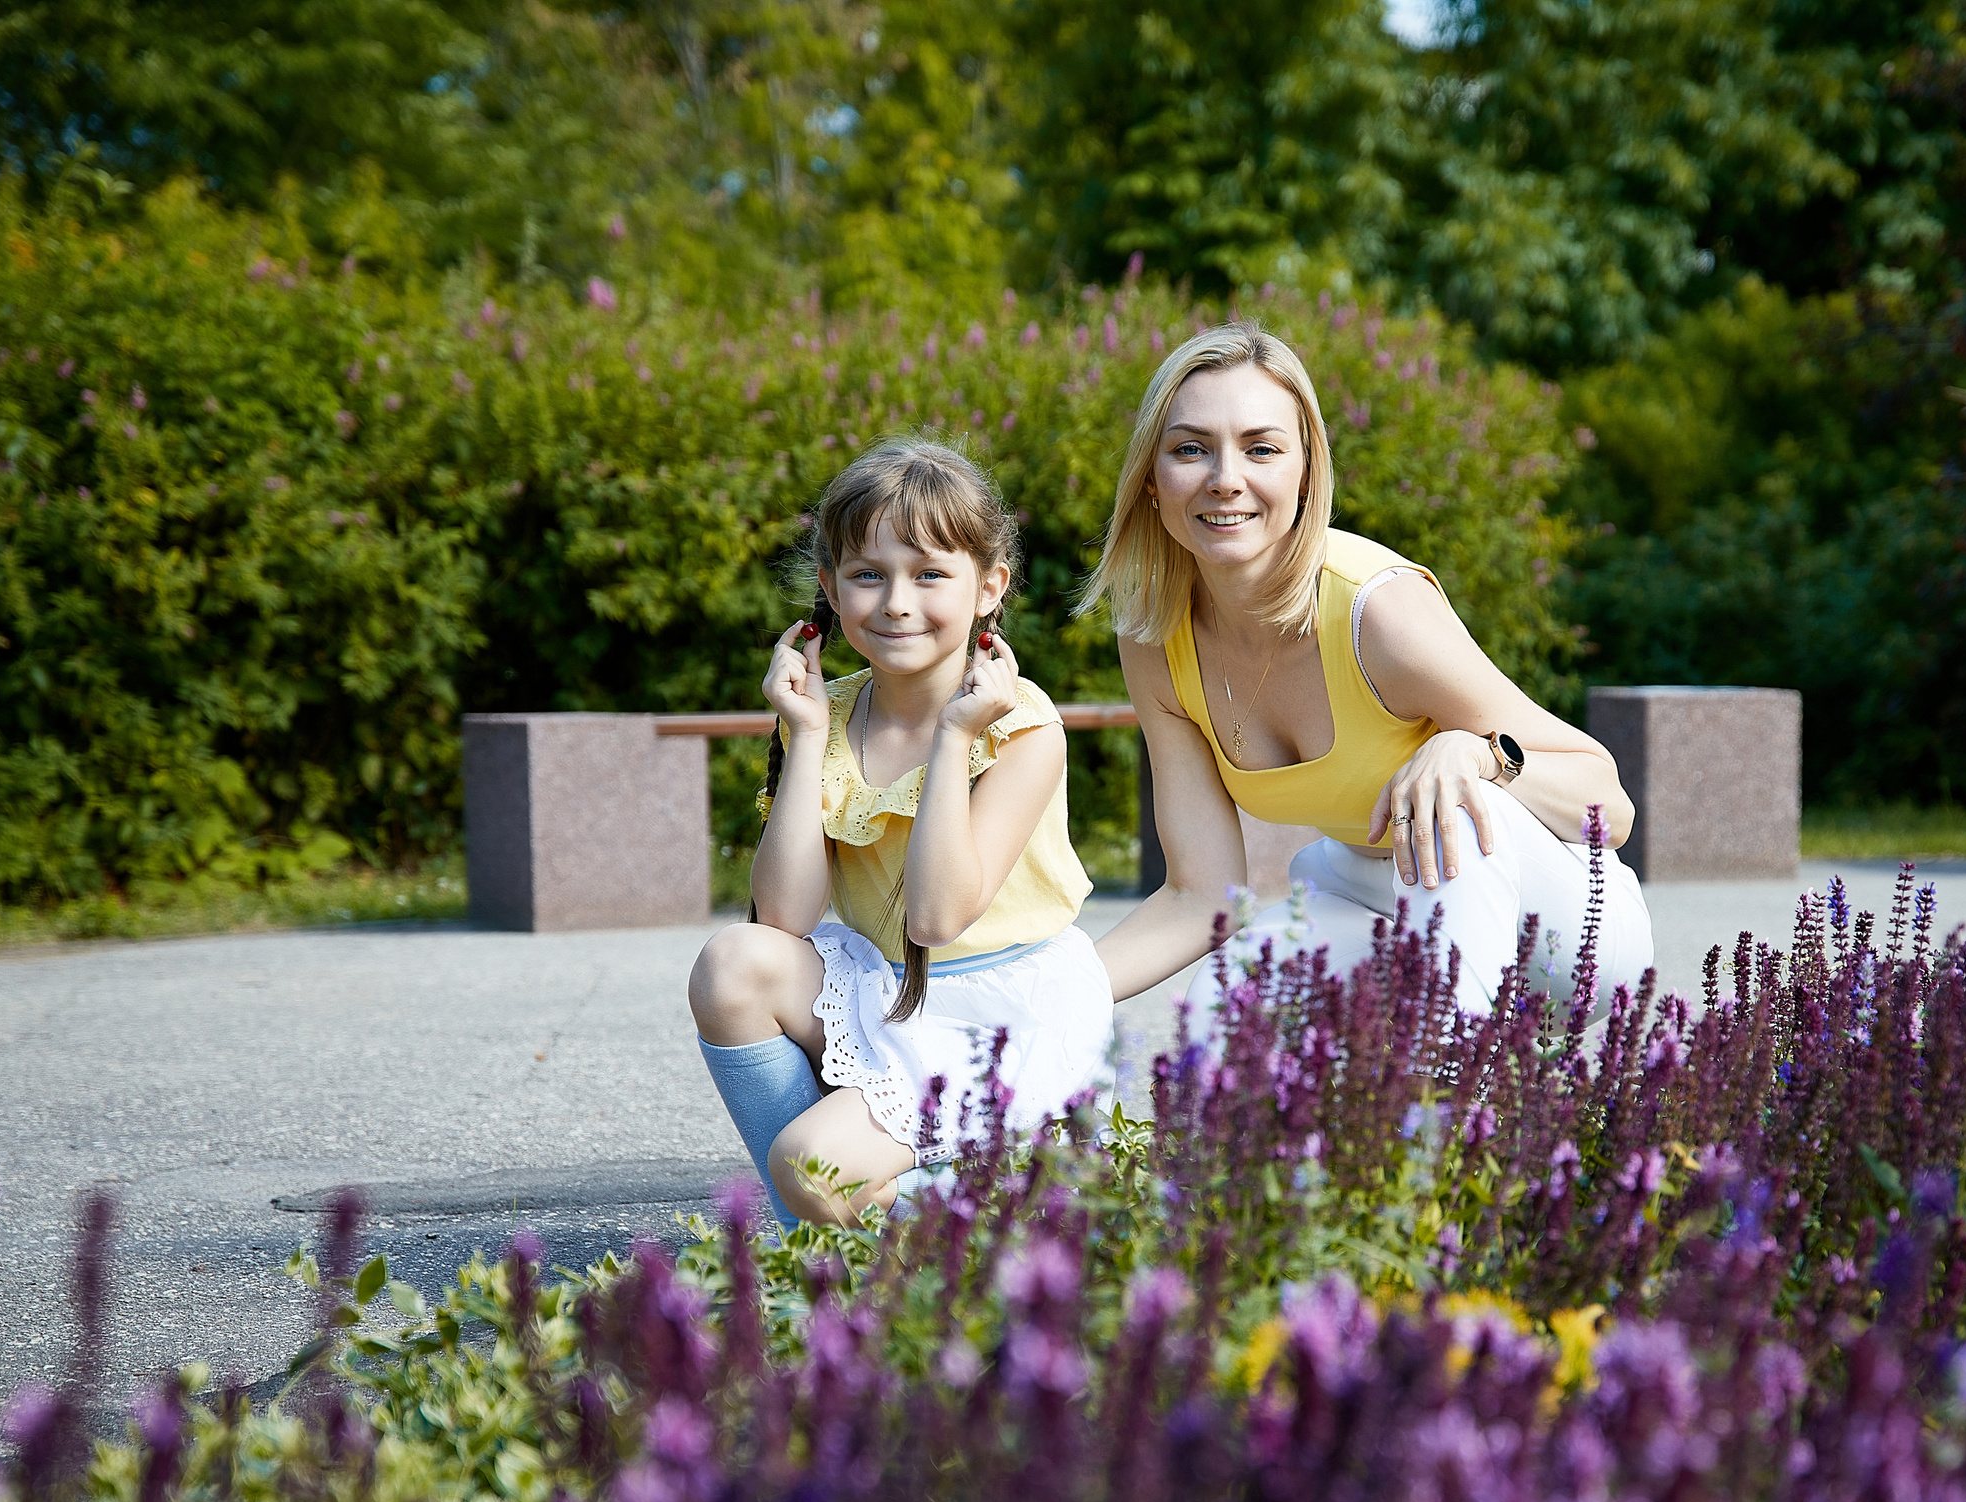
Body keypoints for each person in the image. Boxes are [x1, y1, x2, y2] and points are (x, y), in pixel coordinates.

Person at [1084, 322, 1655, 1015]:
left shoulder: (1377, 613)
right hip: (1379, 901)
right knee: (1225, 1003)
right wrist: (1042, 995)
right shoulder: (1154, 636)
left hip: (1574, 933)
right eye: (1190, 449)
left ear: (1305, 473)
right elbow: (1198, 895)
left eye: (1261, 448)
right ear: (1151, 479)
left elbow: (1610, 805)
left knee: (1452, 815)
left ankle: (1441, 1112)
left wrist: (1476, 756)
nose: (1225, 478)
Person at [687, 439, 1111, 1232]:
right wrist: (806, 735)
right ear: (830, 586)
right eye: (869, 574)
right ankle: (830, 1232)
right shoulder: (833, 709)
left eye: (929, 574)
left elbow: (936, 917)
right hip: (891, 993)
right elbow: (784, 918)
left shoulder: (1021, 727)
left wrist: (954, 738)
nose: (896, 602)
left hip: (1002, 1014)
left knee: (805, 1165)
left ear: (989, 587)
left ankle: (951, 1224)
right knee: (731, 964)